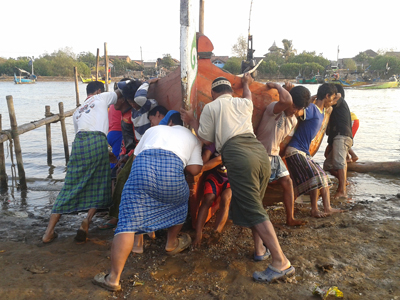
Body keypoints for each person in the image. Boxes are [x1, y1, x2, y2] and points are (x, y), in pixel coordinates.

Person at [181, 74, 295, 283]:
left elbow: (205, 138)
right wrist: (245, 84)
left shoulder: (211, 107)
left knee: (253, 209)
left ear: (214, 94)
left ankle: (280, 262)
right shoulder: (244, 102)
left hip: (239, 156)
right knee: (255, 204)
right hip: (260, 154)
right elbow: (249, 94)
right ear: (231, 92)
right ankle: (260, 250)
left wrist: (191, 120)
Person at [92, 113, 203, 291]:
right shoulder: (192, 138)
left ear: (171, 123)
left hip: (143, 170)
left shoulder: (153, 130)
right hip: (172, 175)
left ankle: (113, 278)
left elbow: (136, 159)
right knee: (181, 202)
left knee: (127, 224)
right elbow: (195, 170)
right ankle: (171, 243)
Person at [42, 81, 125, 243]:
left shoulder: (77, 111)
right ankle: (86, 220)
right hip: (98, 140)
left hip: (79, 143)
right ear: (99, 90)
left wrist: (106, 154)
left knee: (70, 185)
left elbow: (84, 135)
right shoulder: (101, 98)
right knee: (100, 184)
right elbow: (121, 92)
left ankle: (48, 232)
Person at [284, 83, 343, 218]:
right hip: (295, 150)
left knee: (318, 179)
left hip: (303, 152)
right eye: (331, 98)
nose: (333, 101)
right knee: (319, 176)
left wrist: (315, 97)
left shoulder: (322, 111)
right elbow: (298, 112)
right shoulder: (313, 109)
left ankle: (322, 208)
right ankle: (318, 209)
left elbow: (338, 96)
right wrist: (291, 95)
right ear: (327, 96)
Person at [256, 82, 311, 226]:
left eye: (299, 109)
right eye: (294, 106)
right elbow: (286, 101)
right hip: (261, 154)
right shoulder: (274, 109)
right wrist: (278, 87)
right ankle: (257, 220)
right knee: (258, 189)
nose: (295, 111)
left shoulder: (293, 121)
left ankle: (290, 218)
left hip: (274, 156)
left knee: (287, 182)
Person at [192, 143, 232, 248]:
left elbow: (219, 159)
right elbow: (206, 156)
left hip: (230, 179)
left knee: (225, 199)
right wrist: (198, 171)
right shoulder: (214, 144)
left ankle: (216, 233)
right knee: (208, 198)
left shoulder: (235, 143)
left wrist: (200, 170)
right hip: (215, 177)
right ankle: (198, 234)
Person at [323, 84, 353, 199]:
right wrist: (330, 144)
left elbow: (337, 98)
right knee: (328, 165)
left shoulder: (340, 102)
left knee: (339, 162)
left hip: (342, 136)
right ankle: (343, 182)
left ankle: (342, 191)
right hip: (338, 137)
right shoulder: (334, 109)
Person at [107, 104, 122, 169]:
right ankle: (113, 176)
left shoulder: (112, 105)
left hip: (110, 133)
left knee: (113, 157)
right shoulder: (121, 106)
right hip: (118, 133)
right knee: (116, 160)